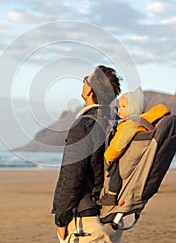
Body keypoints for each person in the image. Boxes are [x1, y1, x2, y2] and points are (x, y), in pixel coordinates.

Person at [52, 65, 123, 243]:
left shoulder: (84, 126)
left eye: (86, 79)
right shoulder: (117, 123)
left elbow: (72, 176)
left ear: (89, 89)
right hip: (112, 218)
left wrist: (61, 218)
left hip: (87, 223)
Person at [97, 88, 170, 206]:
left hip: (127, 163)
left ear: (134, 108)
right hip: (139, 159)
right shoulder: (144, 120)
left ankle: (111, 194)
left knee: (114, 167)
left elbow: (118, 145)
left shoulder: (129, 124)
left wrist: (108, 157)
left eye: (123, 106)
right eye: (119, 106)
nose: (119, 109)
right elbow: (160, 109)